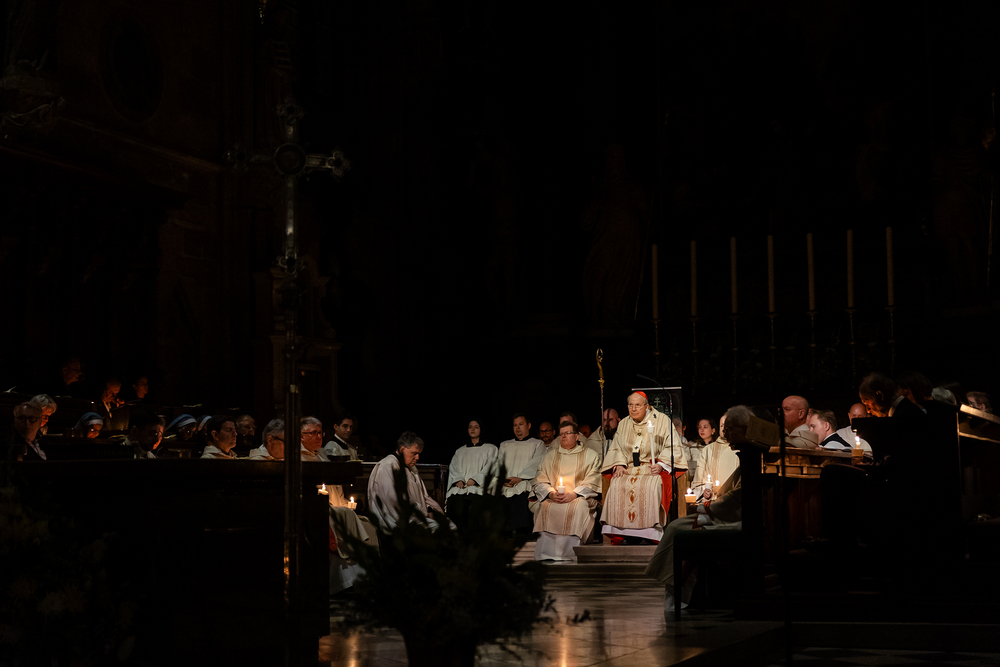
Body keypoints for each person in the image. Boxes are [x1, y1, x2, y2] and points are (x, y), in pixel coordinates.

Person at [645, 405, 751, 612]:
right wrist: (708, 499)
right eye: (725, 427)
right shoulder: (724, 450)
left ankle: (681, 594)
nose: (726, 433)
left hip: (733, 517)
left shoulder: (749, 454)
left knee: (677, 528)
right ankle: (678, 593)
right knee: (676, 527)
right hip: (720, 509)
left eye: (730, 428)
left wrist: (710, 508)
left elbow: (739, 495)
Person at [600, 391, 686, 543]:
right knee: (617, 483)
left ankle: (649, 532)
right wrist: (619, 464)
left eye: (637, 405)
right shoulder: (624, 423)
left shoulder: (662, 420)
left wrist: (661, 465)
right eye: (630, 405)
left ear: (647, 406)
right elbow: (616, 447)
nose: (633, 409)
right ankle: (621, 532)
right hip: (629, 469)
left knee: (651, 485)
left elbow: (672, 446)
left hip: (651, 468)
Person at [532, 422, 602, 560]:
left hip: (579, 497)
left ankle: (570, 553)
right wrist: (551, 493)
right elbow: (540, 479)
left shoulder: (590, 455)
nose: (563, 436)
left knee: (579, 506)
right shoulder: (550, 456)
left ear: (576, 436)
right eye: (561, 434)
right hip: (555, 497)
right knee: (544, 505)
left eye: (568, 433)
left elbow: (593, 479)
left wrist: (574, 494)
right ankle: (546, 553)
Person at [368, 432, 446, 530]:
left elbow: (423, 496)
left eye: (419, 454)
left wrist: (429, 509)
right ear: (402, 449)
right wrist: (421, 512)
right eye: (414, 453)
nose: (417, 458)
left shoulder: (411, 468)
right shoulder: (388, 466)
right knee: (443, 529)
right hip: (400, 522)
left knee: (449, 526)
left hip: (417, 517)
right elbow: (394, 502)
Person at [496, 414, 546, 534]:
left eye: (521, 424)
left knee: (522, 499)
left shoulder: (538, 444)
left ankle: (522, 534)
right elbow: (499, 464)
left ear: (529, 425)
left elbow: (537, 463)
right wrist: (504, 480)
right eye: (515, 425)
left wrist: (520, 478)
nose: (517, 428)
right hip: (506, 485)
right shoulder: (505, 445)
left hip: (524, 482)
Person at [445, 419, 498, 526]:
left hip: (479, 488)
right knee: (455, 501)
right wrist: (458, 480)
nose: (472, 429)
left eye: (476, 427)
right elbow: (454, 467)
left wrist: (475, 479)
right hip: (462, 488)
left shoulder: (490, 448)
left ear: (481, 429)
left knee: (475, 503)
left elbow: (491, 466)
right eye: (470, 427)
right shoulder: (460, 451)